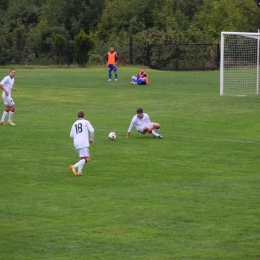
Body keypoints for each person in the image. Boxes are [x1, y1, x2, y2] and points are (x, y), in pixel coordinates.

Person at [69, 110, 94, 176]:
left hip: (76, 143)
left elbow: (71, 135)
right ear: (84, 116)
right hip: (83, 143)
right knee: (87, 159)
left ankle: (79, 172)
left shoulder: (74, 123)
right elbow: (92, 130)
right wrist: (91, 139)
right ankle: (73, 166)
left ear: (77, 116)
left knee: (82, 158)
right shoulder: (86, 122)